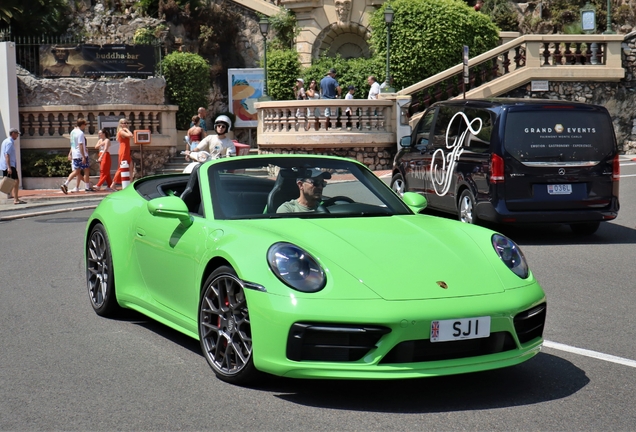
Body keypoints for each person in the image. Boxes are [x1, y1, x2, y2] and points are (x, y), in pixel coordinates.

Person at [61, 119, 94, 193]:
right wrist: (83, 156)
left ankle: (66, 184)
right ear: (82, 124)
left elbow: (72, 144)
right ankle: (87, 187)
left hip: (75, 154)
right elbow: (80, 144)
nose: (85, 126)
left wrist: (70, 153)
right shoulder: (80, 133)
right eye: (85, 125)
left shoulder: (72, 132)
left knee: (76, 171)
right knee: (86, 170)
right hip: (80, 154)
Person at [1, 128, 24, 204]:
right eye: (17, 134)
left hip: (7, 165)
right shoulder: (9, 142)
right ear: (13, 133)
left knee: (10, 181)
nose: (17, 135)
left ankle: (16, 198)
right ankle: (16, 199)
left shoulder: (5, 141)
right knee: (16, 181)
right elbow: (7, 155)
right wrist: (9, 167)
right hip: (10, 165)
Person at [109, 118, 133, 190]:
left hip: (127, 150)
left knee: (131, 167)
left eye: (126, 123)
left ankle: (130, 183)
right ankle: (113, 184)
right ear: (120, 124)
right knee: (121, 168)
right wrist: (126, 129)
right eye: (123, 123)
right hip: (124, 151)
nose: (125, 124)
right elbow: (130, 135)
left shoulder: (122, 131)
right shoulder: (121, 131)